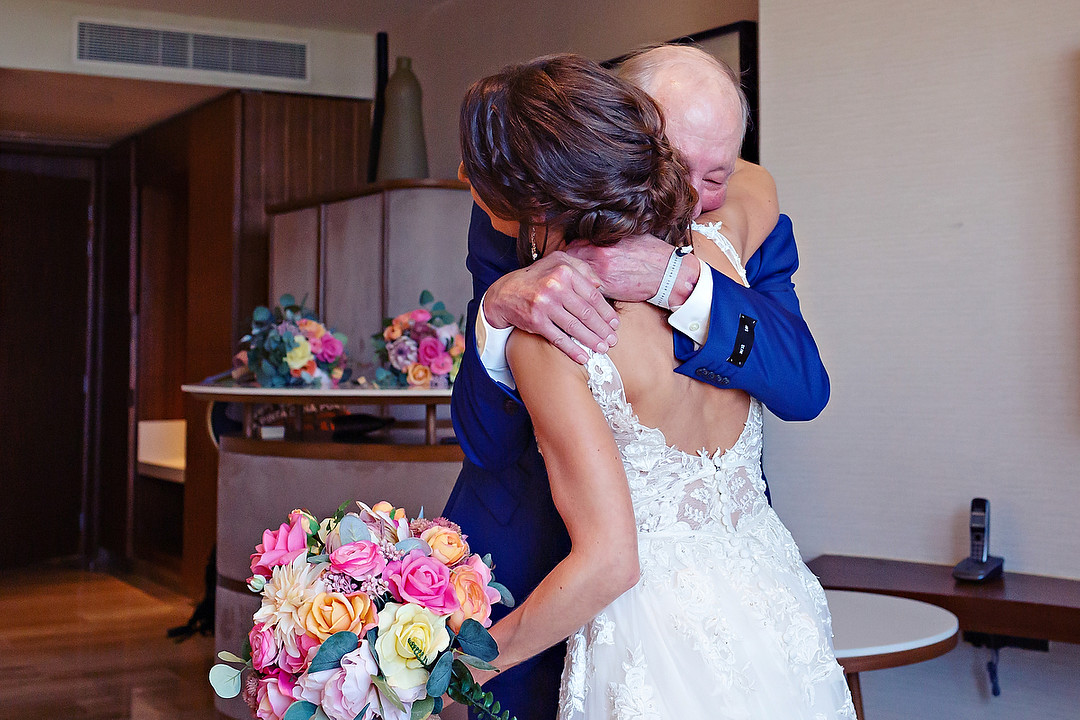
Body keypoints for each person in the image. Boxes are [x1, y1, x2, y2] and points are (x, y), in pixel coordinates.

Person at [454, 53, 854, 719]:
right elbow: (488, 442)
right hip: (536, 571)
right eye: (674, 165)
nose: (690, 201)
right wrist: (496, 312)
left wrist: (684, 285)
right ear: (624, 135)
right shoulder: (521, 204)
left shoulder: (743, 216)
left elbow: (803, 384)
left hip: (694, 592)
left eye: (716, 175)